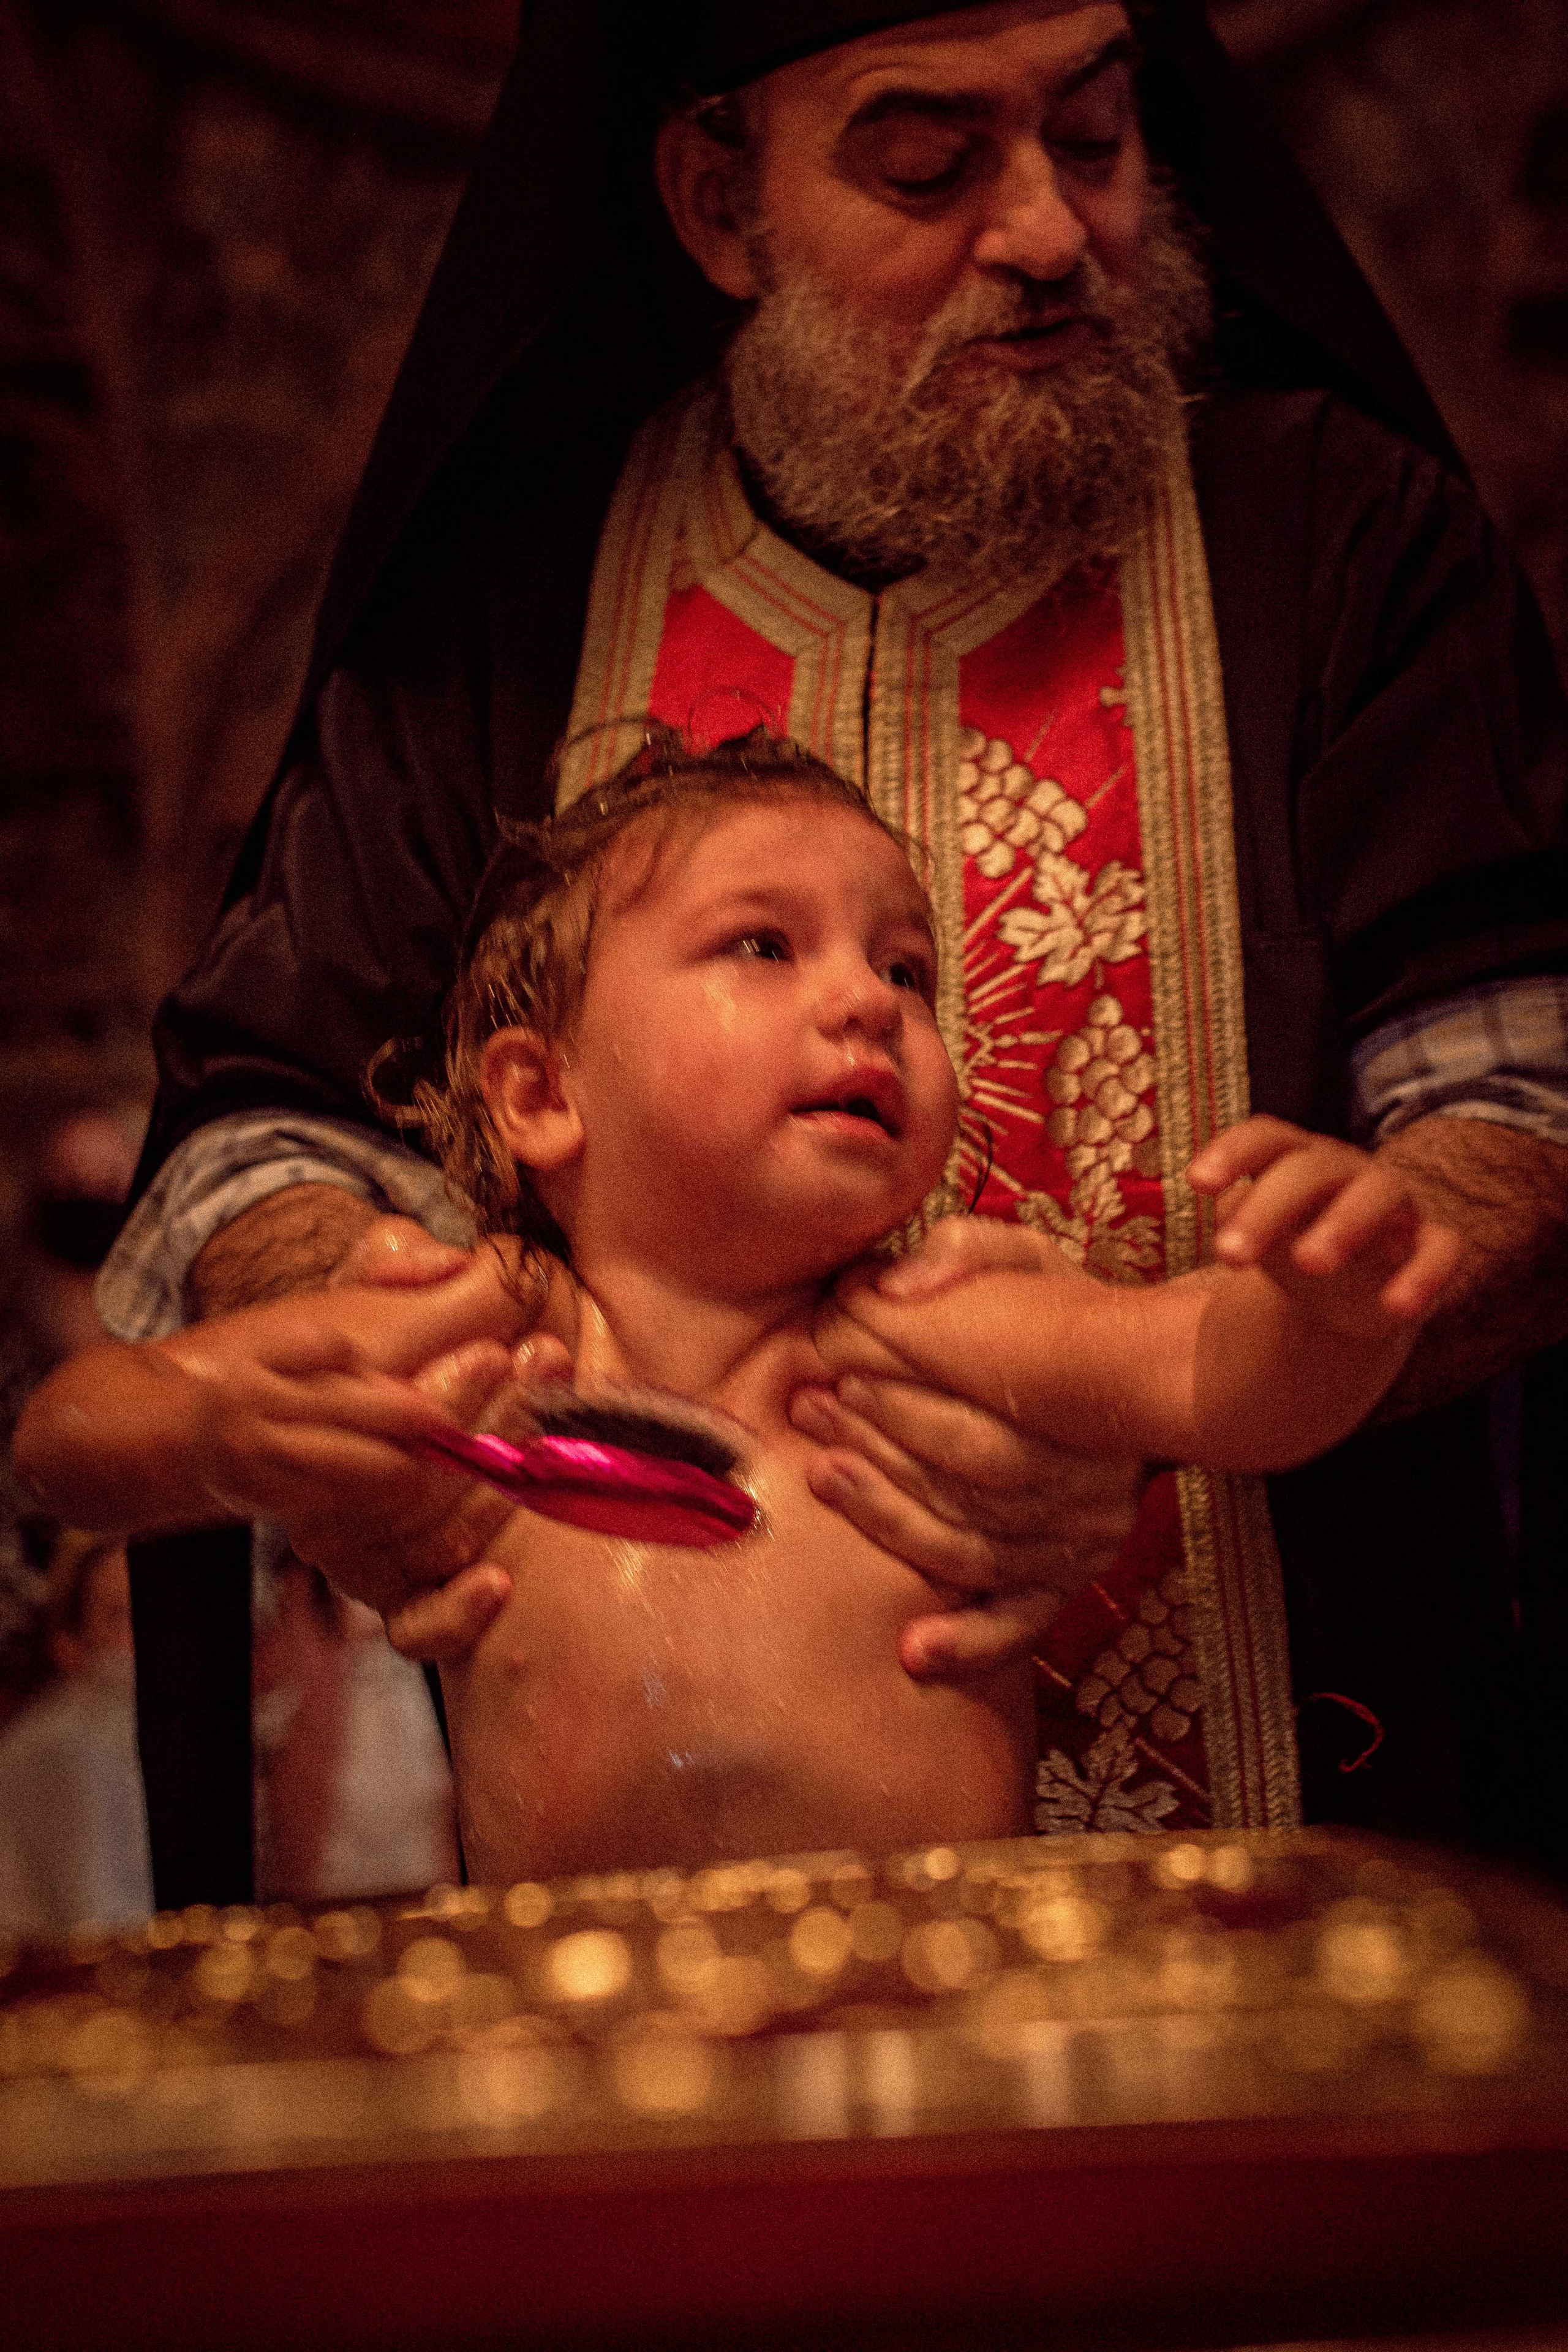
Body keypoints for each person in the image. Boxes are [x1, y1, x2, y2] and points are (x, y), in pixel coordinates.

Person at [97, 0, 1568, 1882]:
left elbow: (1523, 1100)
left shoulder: (1347, 541)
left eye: (1099, 135)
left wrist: (1216, 1360)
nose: (1048, 231)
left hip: (1301, 1870)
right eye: (928, 160)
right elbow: (256, 1134)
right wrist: (393, 1371)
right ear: (719, 203)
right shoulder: (514, 587)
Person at [20, 737, 1464, 1877]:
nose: (866, 999)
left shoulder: (930, 1328)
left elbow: (1221, 1378)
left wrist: (1328, 1304)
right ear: (540, 1091)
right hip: (579, 2039)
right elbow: (67, 1437)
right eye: (763, 945)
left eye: (904, 966)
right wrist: (220, 1424)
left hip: (937, 2022)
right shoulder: (490, 1348)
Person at [0, 1531, 153, 1939]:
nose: (149, 1632)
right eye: (120, 1614)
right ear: (69, 1645)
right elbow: (102, 1929)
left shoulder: (132, 1736)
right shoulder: (62, 1747)